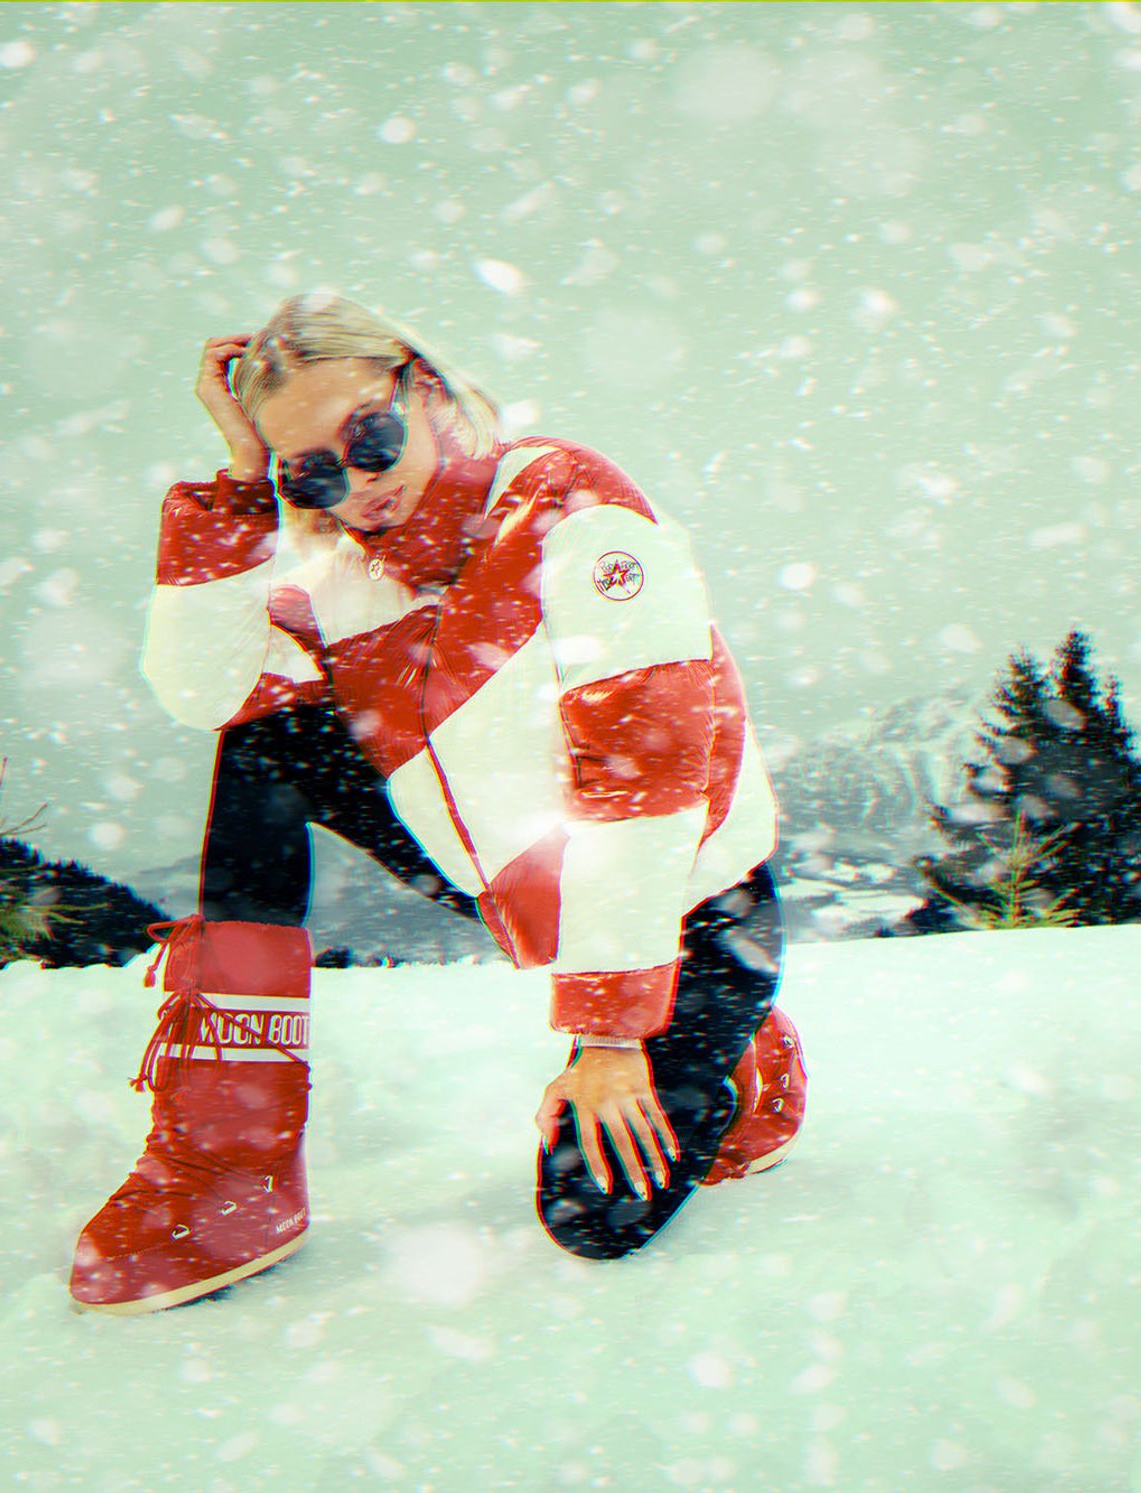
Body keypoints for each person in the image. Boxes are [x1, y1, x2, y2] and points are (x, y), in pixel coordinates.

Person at [69, 292, 806, 1314]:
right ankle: (229, 1158)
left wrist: (607, 1037)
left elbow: (648, 778)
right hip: (509, 880)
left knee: (592, 1215)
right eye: (312, 471)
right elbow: (202, 693)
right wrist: (241, 486)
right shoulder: (341, 572)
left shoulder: (570, 508)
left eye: (368, 438)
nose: (357, 486)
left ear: (420, 384)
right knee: (262, 737)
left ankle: (740, 1065)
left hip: (685, 907)